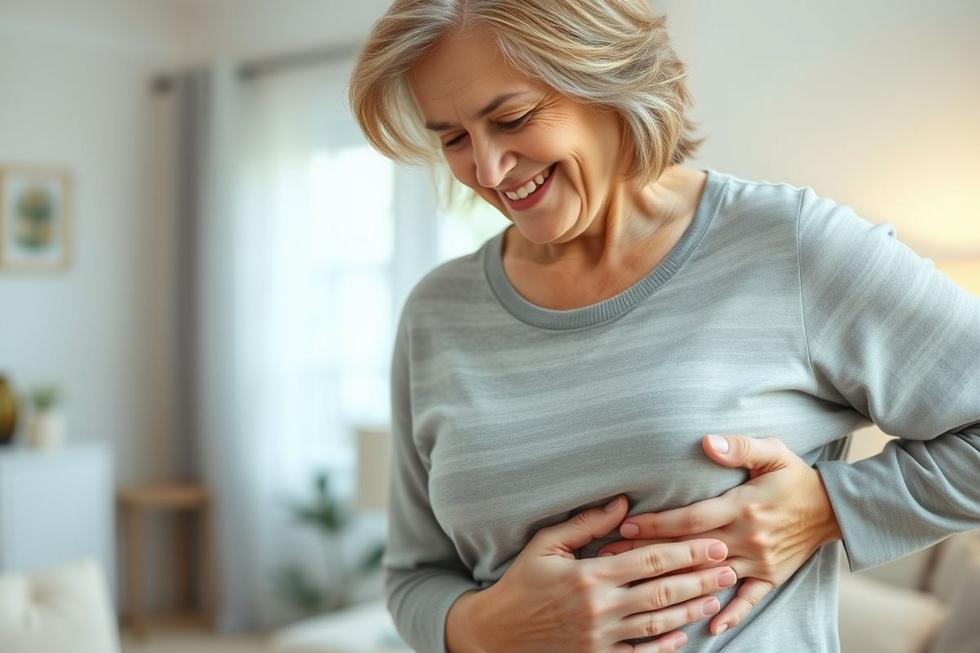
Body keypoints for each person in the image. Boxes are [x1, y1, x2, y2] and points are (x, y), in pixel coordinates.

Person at [348, 1, 980, 651]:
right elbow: (415, 573)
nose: (487, 169)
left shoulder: (784, 246)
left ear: (606, 78)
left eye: (511, 118)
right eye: (452, 137)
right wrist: (481, 627)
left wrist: (825, 507)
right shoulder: (437, 312)